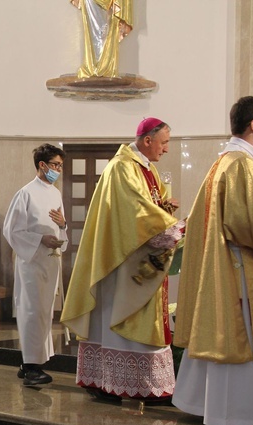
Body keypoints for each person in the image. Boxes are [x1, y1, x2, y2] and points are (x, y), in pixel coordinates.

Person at [173, 96, 253, 425]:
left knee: (223, 337)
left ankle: (204, 404)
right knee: (243, 342)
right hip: (240, 268)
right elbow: (243, 223)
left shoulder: (222, 162)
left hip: (225, 265)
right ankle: (243, 419)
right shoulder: (242, 163)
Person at [61, 118, 182, 402]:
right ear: (147, 140)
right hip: (120, 261)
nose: (166, 150)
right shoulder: (122, 167)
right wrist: (170, 226)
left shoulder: (147, 168)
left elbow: (147, 207)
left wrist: (164, 209)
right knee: (116, 316)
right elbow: (134, 211)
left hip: (136, 255)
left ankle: (122, 381)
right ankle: (113, 381)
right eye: (163, 143)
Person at [3, 144, 69, 386]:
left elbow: (59, 228)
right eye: (55, 165)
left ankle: (31, 362)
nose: (58, 170)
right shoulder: (26, 193)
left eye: (61, 166)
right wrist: (41, 239)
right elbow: (11, 230)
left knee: (44, 312)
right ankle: (31, 367)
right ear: (42, 165)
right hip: (31, 263)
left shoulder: (55, 193)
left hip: (50, 262)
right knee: (32, 312)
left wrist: (63, 226)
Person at [70, 0, 133, 78]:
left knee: (107, 31)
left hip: (110, 4)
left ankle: (105, 66)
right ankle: (93, 66)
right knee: (94, 32)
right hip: (91, 3)